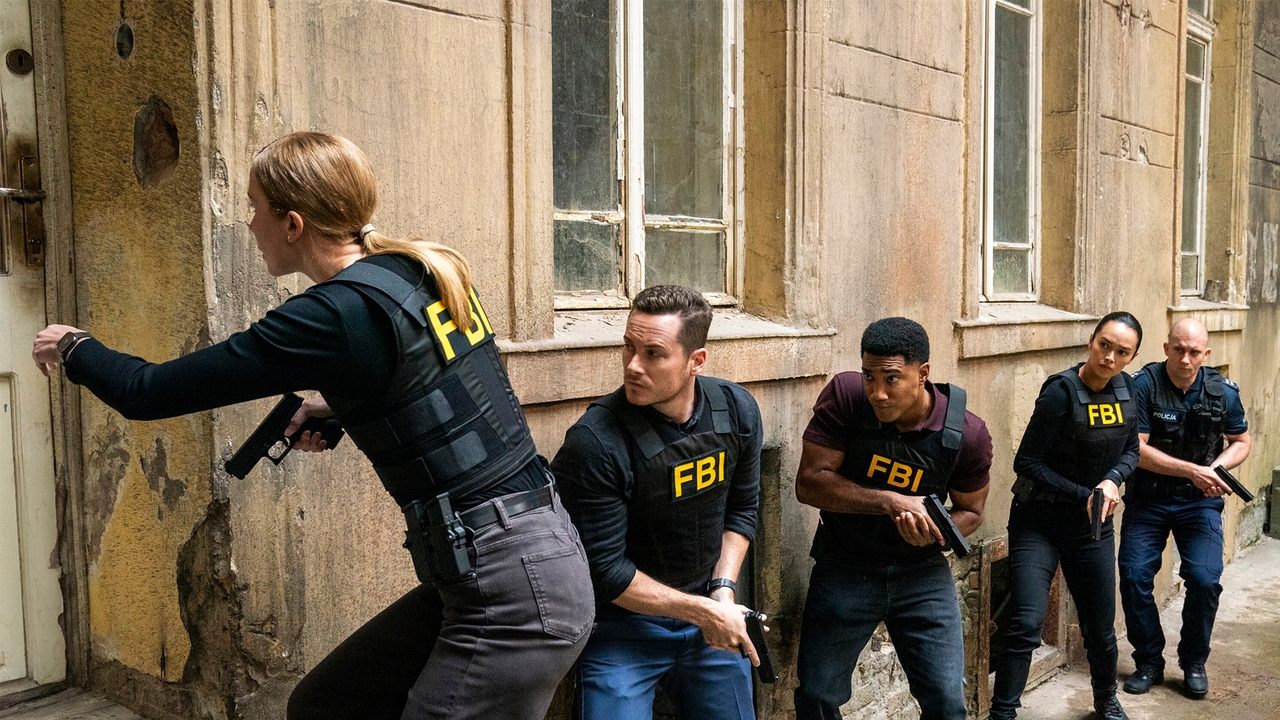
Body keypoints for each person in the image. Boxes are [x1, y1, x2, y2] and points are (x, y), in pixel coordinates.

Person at [32, 131, 594, 720]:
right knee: (327, 704)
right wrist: (343, 408)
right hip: (521, 558)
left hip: (511, 591)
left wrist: (75, 347)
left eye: (255, 208)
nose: (250, 224)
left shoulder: (329, 316)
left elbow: (148, 392)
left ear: (293, 224)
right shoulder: (414, 270)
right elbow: (448, 392)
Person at [549, 285, 764, 720]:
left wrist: (722, 591)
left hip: (709, 615)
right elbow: (605, 572)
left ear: (696, 361)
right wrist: (703, 611)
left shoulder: (736, 409)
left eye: (653, 354)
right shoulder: (595, 442)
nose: (633, 366)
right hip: (622, 628)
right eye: (628, 347)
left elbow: (742, 509)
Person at [792, 317, 993, 720]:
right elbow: (810, 484)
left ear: (923, 373)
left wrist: (934, 533)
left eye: (892, 379)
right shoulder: (846, 398)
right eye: (869, 376)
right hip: (845, 563)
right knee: (817, 694)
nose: (877, 393)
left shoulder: (967, 434)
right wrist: (890, 501)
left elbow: (971, 513)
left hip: (921, 573)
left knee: (946, 700)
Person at [988, 311, 1144, 720]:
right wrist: (1084, 493)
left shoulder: (1128, 390)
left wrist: (1112, 480)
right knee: (1026, 622)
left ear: (1131, 357)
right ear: (1092, 341)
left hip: (1092, 527)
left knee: (1100, 627)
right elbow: (1027, 463)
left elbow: (1132, 450)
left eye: (1121, 352)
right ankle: (1002, 712)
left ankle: (1106, 700)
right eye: (1104, 345)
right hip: (1038, 522)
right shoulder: (1060, 392)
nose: (1109, 357)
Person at [1118, 318, 1251, 699]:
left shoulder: (1222, 391)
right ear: (1166, 348)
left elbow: (1241, 441)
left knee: (1205, 579)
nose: (1186, 359)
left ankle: (1193, 662)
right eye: (1178, 350)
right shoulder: (1144, 385)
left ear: (1206, 354)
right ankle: (1148, 661)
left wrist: (1215, 469)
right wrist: (1193, 471)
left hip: (1200, 502)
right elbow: (1137, 448)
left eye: (1194, 352)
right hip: (1149, 499)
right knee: (1134, 576)